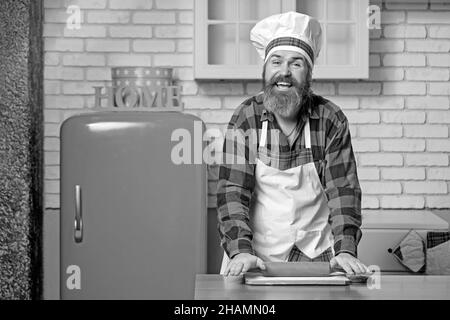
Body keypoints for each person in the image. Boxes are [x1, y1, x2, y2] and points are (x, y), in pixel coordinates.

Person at [217, 12, 368, 276]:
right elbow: (233, 189)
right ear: (265, 70)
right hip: (253, 259)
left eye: (296, 63)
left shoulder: (330, 119)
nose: (284, 72)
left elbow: (343, 189)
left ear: (309, 73)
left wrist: (345, 249)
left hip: (316, 258)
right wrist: (240, 250)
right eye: (276, 62)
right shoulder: (246, 117)